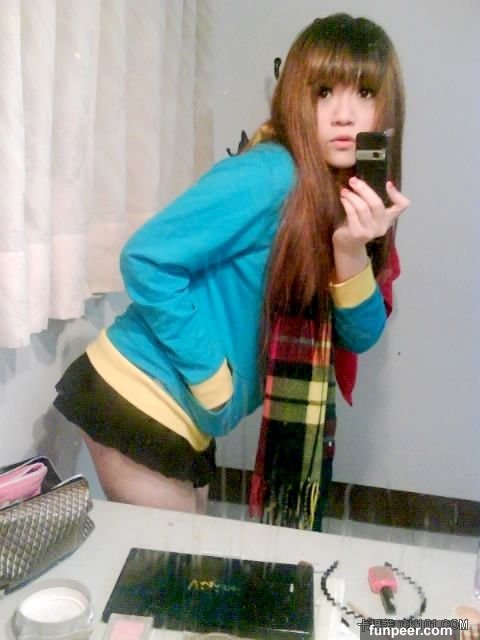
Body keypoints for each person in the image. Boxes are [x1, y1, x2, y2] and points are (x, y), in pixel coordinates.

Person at [53, 13, 409, 523]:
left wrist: (350, 250)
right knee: (174, 562)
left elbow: (362, 334)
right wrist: (215, 381)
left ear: (387, 106)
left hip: (184, 412)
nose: (344, 115)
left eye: (365, 93)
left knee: (187, 554)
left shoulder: (343, 202)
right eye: (324, 91)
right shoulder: (271, 174)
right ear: (296, 95)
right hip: (140, 391)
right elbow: (146, 259)